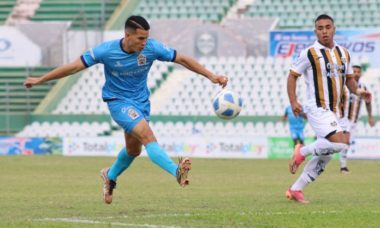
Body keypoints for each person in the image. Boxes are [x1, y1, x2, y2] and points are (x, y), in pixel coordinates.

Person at [24, 15, 228, 204]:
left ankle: (109, 176)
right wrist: (41, 80)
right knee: (148, 136)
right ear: (127, 35)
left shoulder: (152, 48)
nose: (144, 43)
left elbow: (182, 59)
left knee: (133, 150)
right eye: (140, 38)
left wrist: (211, 76)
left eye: (146, 38)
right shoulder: (106, 51)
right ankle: (176, 172)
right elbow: (73, 67)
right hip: (118, 102)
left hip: (141, 103)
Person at [285, 14, 371, 204]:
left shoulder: (344, 53)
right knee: (340, 143)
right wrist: (294, 102)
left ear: (334, 29)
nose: (324, 31)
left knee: (328, 155)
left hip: (335, 110)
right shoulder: (310, 53)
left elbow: (349, 80)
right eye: (320, 28)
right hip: (316, 107)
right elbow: (292, 76)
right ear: (315, 31)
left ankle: (296, 189)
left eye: (327, 27)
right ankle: (302, 151)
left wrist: (359, 92)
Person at [338, 65, 375, 174]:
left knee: (346, 143)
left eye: (358, 71)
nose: (356, 73)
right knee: (344, 142)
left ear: (361, 74)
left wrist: (370, 116)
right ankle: (343, 166)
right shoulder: (344, 85)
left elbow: (368, 102)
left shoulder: (363, 87)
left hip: (353, 121)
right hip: (342, 120)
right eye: (354, 71)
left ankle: (342, 165)